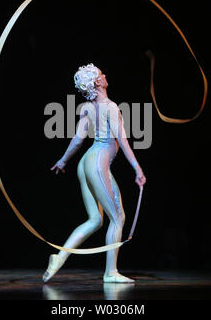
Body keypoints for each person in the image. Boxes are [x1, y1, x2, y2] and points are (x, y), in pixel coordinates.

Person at [43, 63, 146, 283]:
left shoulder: (87, 108)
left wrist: (63, 161)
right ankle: (111, 272)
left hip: (86, 163)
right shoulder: (110, 107)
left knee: (95, 220)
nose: (105, 75)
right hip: (97, 163)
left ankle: (58, 259)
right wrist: (137, 169)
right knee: (117, 218)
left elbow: (79, 139)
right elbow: (123, 141)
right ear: (98, 82)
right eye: (101, 74)